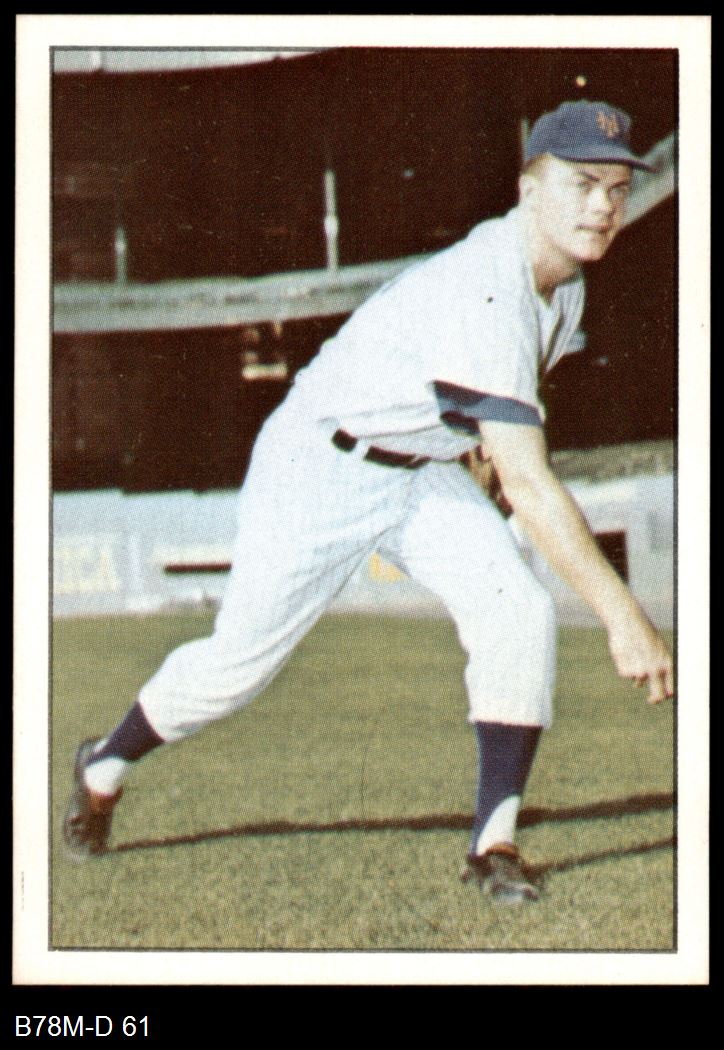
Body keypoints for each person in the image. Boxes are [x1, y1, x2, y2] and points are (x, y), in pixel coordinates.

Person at [63, 100, 674, 903]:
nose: (603, 205)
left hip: (420, 469)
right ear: (529, 190)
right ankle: (104, 763)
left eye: (617, 189)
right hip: (321, 460)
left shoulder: (565, 290)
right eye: (582, 183)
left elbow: (496, 422)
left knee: (517, 611)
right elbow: (529, 480)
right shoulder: (487, 286)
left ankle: (493, 845)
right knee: (236, 667)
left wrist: (481, 465)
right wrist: (624, 616)